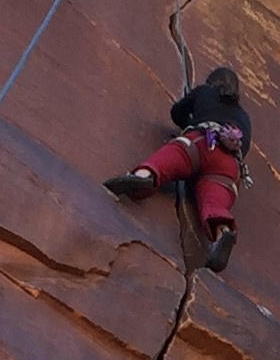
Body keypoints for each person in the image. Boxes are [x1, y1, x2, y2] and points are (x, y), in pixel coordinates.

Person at [106, 67, 251, 271]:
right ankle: (222, 231)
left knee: (172, 157)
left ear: (212, 82)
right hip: (228, 166)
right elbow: (244, 147)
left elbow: (177, 113)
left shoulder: (205, 92)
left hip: (202, 141)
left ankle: (143, 177)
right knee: (214, 201)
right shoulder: (244, 117)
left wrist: (191, 123)